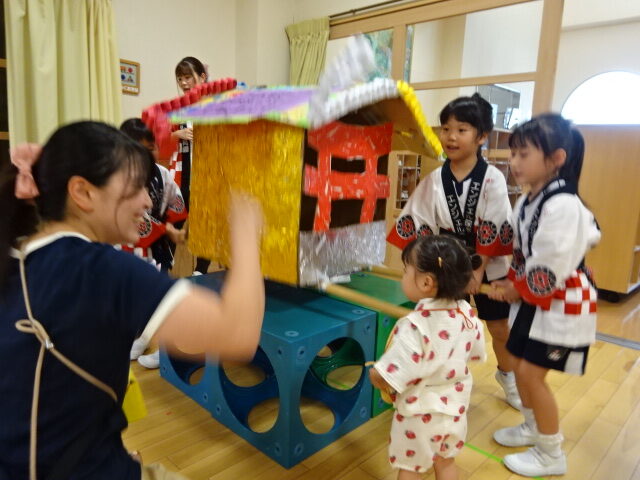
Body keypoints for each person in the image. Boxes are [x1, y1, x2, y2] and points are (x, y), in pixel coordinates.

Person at [0, 121, 264, 480]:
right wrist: (246, 234)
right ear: (82, 192)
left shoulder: (16, 258)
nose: (147, 200)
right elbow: (237, 334)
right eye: (135, 186)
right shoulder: (100, 269)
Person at [387, 93, 521, 410]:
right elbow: (419, 220)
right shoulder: (435, 179)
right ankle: (438, 379)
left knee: (499, 327)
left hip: (488, 263)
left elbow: (494, 225)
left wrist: (476, 271)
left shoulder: (492, 178)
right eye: (446, 129)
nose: (451, 137)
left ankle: (508, 377)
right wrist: (424, 265)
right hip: (447, 261)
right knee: (441, 323)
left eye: (461, 130)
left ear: (481, 136)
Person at [488, 114, 601, 477]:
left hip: (560, 303)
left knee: (531, 374)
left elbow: (551, 262)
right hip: (534, 300)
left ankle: (551, 453)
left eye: (523, 154)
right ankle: (532, 427)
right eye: (513, 153)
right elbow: (521, 250)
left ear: (556, 159)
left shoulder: (563, 204)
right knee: (519, 364)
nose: (514, 162)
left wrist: (514, 288)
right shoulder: (529, 200)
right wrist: (506, 279)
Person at [369, 235, 486, 480]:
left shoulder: (415, 325)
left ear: (426, 282)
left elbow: (389, 376)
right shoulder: (467, 314)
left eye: (405, 271)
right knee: (446, 462)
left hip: (418, 415)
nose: (403, 276)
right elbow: (475, 352)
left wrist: (375, 375)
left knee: (410, 469)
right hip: (455, 411)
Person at [119, 118, 188, 369]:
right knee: (135, 303)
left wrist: (170, 231)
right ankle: (140, 339)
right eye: (138, 148)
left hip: (156, 250)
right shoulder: (117, 176)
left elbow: (177, 206)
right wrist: (165, 229)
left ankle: (167, 350)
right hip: (125, 249)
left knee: (162, 301)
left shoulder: (163, 174)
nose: (147, 154)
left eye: (151, 147)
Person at [169, 56, 211, 275]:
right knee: (174, 220)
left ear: (202, 77)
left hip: (209, 175)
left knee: (206, 224)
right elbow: (158, 137)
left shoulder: (216, 105)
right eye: (180, 78)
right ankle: (163, 266)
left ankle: (200, 271)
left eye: (188, 77)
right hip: (182, 174)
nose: (184, 83)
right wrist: (177, 134)